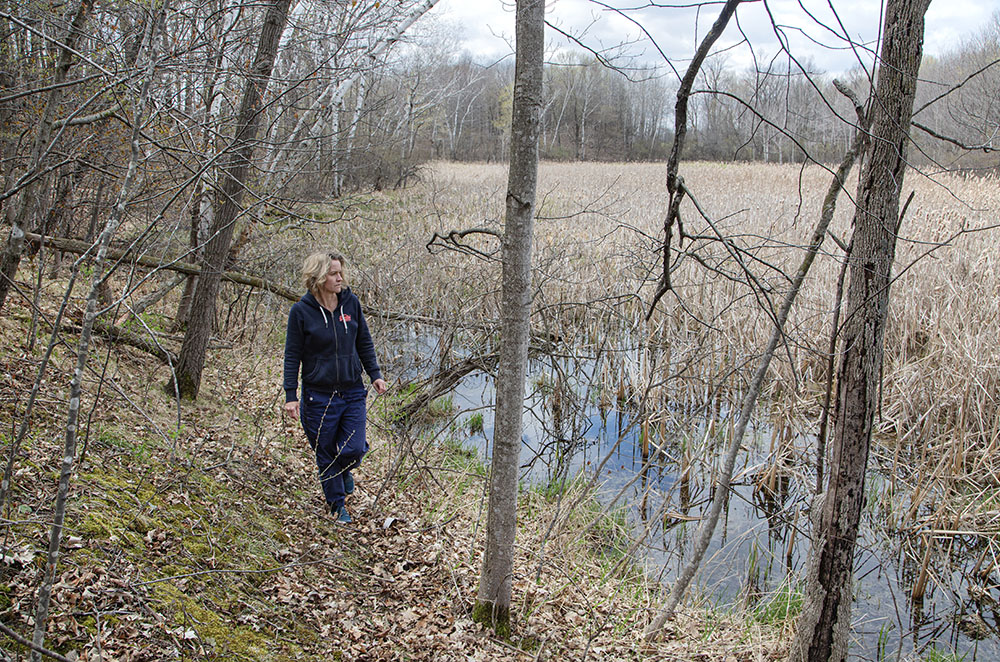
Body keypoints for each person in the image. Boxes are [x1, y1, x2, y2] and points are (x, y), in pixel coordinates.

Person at [283, 251, 387, 524]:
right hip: (319, 396)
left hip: (353, 390)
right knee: (326, 453)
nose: (340, 277)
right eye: (333, 273)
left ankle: (345, 470)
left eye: (340, 272)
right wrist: (290, 395)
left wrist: (374, 374)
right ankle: (337, 505)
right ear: (318, 278)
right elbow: (292, 355)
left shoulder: (350, 303)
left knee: (352, 449)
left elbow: (363, 341)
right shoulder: (301, 312)